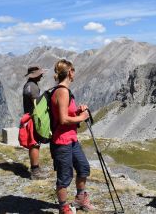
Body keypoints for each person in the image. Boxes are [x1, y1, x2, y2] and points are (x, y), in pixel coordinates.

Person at [50, 59, 94, 214]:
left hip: (72, 139)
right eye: (73, 70)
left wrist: (78, 111)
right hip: (62, 142)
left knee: (83, 167)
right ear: (70, 72)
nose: (74, 73)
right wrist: (82, 117)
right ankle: (63, 208)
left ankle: (80, 199)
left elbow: (67, 114)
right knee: (64, 177)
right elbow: (62, 119)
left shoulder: (65, 91)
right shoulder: (62, 91)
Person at [23, 65, 45, 180]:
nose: (42, 75)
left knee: (34, 144)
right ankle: (35, 171)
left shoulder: (28, 85)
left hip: (29, 117)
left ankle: (35, 167)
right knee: (35, 144)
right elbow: (37, 104)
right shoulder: (32, 87)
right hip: (33, 118)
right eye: (40, 74)